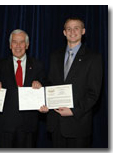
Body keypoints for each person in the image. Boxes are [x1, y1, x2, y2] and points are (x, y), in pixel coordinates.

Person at [45, 17, 103, 147]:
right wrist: (44, 102)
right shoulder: (54, 56)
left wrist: (73, 111)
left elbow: (93, 93)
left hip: (78, 125)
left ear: (83, 31)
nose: (72, 32)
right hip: (56, 124)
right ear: (64, 32)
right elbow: (49, 84)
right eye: (69, 29)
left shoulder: (94, 58)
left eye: (76, 28)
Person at [0, 29, 45, 148]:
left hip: (28, 125)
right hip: (6, 125)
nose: (18, 46)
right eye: (15, 42)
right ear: (10, 45)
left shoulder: (38, 65)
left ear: (27, 45)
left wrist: (40, 85)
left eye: (21, 42)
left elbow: (46, 89)